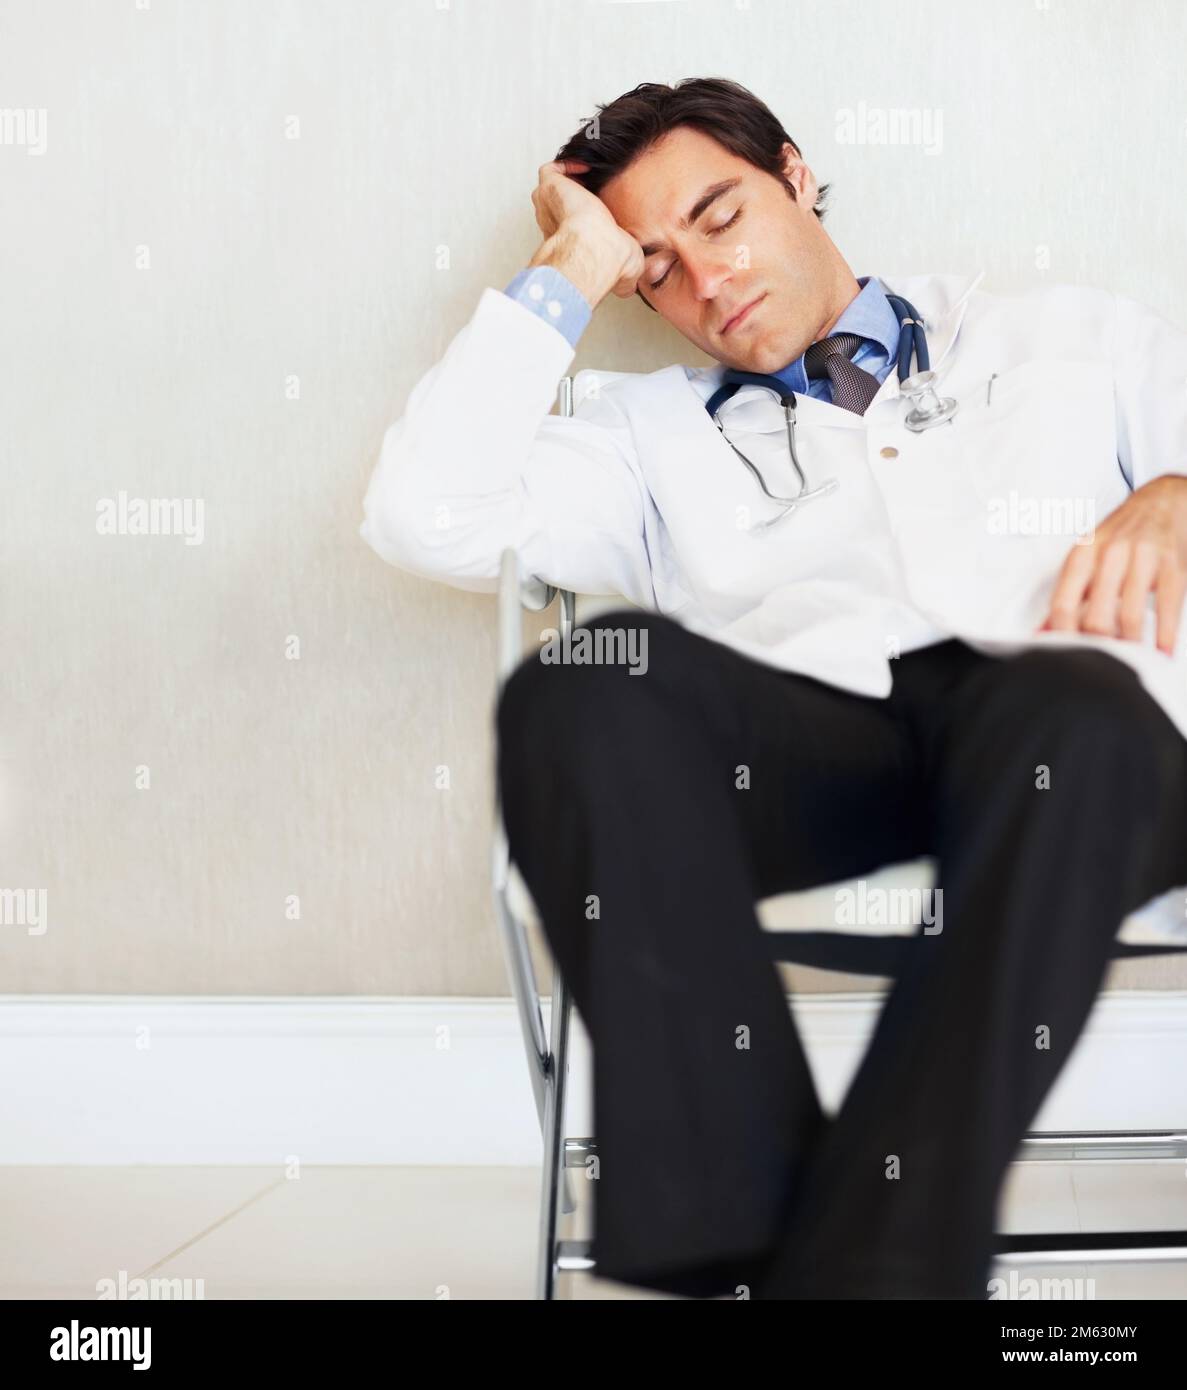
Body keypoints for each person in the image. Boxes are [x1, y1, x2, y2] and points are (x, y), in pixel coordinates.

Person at [360, 78, 1187, 1299]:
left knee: (1073, 715)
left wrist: (1177, 491)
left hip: (1069, 738)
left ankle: (868, 1260)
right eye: (654, 266)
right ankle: (738, 1224)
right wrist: (567, 270)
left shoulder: (1069, 334)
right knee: (582, 686)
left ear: (795, 175)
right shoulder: (645, 434)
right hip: (813, 741)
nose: (705, 280)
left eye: (720, 214)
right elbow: (418, 514)